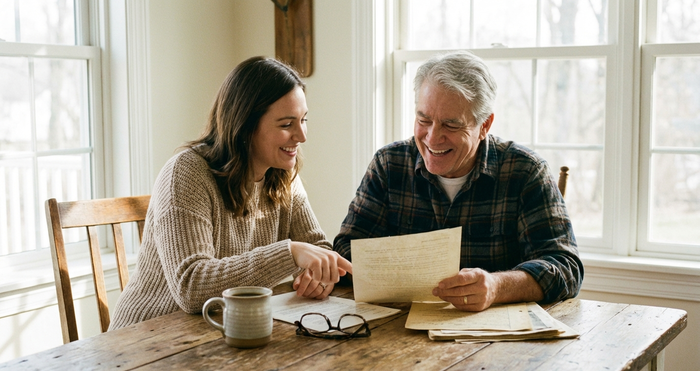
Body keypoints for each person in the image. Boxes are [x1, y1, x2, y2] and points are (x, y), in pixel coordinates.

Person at [110, 56, 351, 330]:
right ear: (246, 126)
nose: (302, 135)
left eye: (303, 120)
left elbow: (317, 247)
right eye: (286, 124)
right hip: (149, 340)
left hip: (222, 334)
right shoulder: (186, 172)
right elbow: (192, 286)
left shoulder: (283, 176)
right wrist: (289, 254)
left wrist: (320, 277)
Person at [333, 51, 582, 311]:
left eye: (451, 125)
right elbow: (347, 249)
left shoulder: (526, 171)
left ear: (485, 125)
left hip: (496, 342)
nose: (432, 137)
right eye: (423, 120)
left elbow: (566, 267)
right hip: (398, 328)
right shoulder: (389, 164)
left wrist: (496, 286)